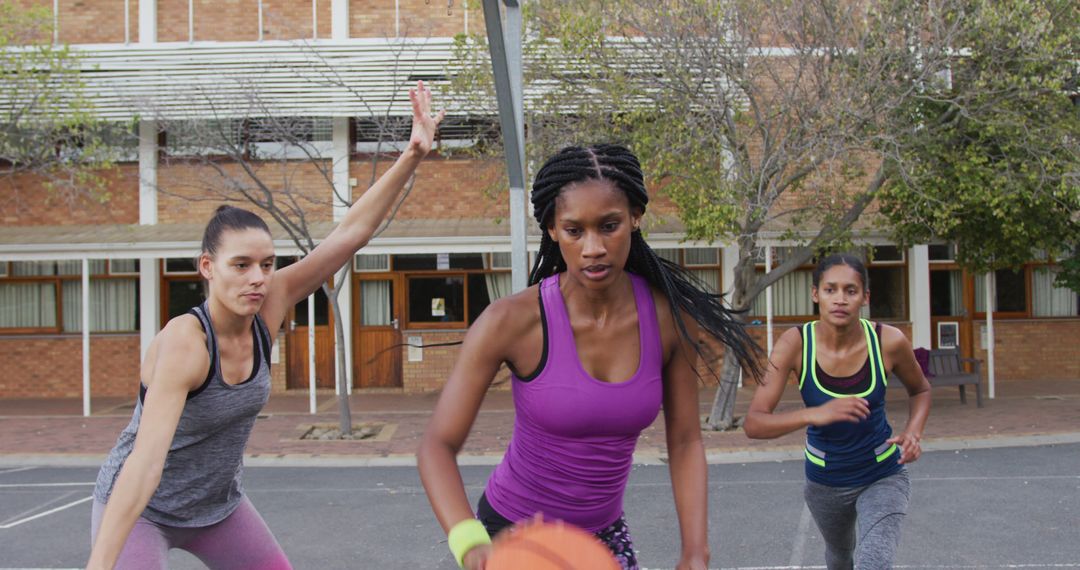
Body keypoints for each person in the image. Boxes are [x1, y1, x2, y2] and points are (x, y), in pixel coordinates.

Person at [87, 82, 444, 570]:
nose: (257, 278)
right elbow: (145, 465)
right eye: (240, 265)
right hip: (142, 510)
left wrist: (412, 155)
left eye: (267, 263)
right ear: (208, 268)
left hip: (218, 509)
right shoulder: (185, 345)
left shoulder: (269, 303)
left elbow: (350, 234)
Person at [417, 144, 762, 570]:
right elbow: (437, 445)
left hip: (603, 538)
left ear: (635, 217)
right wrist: (470, 544)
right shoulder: (511, 321)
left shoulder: (668, 318)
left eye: (609, 225)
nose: (593, 247)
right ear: (552, 230)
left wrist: (695, 549)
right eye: (575, 230)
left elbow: (686, 440)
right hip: (511, 534)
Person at [744, 254, 932, 570]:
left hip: (883, 471)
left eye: (850, 290)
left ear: (865, 297)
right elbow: (754, 423)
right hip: (826, 479)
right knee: (840, 554)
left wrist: (914, 431)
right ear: (815, 293)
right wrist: (813, 414)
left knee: (873, 562)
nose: (840, 299)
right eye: (830, 290)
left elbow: (921, 390)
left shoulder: (888, 341)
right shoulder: (795, 343)